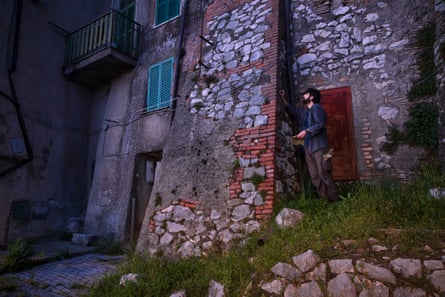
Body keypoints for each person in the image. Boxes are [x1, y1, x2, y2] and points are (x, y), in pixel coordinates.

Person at [280, 88, 338, 202]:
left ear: (311, 97)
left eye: (306, 94)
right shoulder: (305, 112)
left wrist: (306, 132)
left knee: (324, 172)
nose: (303, 96)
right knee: (314, 175)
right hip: (308, 148)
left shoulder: (317, 108)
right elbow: (293, 111)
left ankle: (335, 199)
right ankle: (324, 200)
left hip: (320, 147)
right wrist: (283, 98)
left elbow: (320, 124)